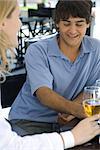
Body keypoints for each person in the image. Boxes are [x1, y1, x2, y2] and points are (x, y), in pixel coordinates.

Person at [0, 0, 100, 149]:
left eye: (79, 24)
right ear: (57, 23)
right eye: (66, 23)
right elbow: (44, 93)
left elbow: (91, 88)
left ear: (88, 23)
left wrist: (73, 112)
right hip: (31, 121)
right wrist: (77, 110)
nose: (73, 30)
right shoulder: (38, 51)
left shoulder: (96, 48)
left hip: (72, 122)